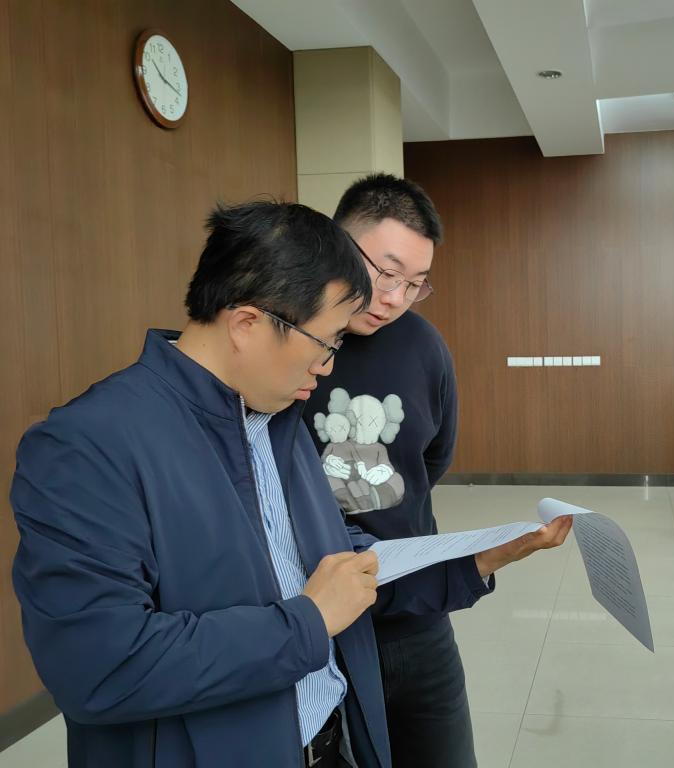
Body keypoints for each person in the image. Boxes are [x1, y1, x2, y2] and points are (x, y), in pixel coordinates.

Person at [11, 201, 571, 768]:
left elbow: (334, 564)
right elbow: (100, 668)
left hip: (331, 742)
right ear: (247, 324)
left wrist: (475, 560)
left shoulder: (277, 420)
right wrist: (309, 621)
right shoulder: (86, 445)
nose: (328, 367)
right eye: (326, 342)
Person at [302, 174, 487, 767]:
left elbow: (431, 458)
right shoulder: (290, 339)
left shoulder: (424, 346)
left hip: (415, 607)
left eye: (415, 283)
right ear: (337, 241)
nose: (395, 297)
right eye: (386, 272)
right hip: (315, 614)